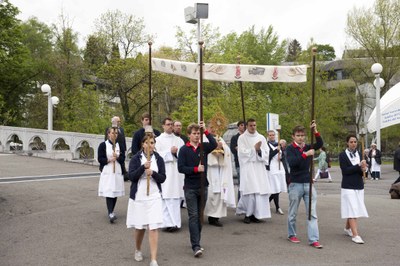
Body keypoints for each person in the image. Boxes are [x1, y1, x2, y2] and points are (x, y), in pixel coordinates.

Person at [177, 121, 217, 258]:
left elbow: (214, 144)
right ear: (188, 135)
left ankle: (196, 240)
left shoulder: (203, 147)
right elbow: (181, 168)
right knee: (193, 216)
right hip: (190, 188)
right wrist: (195, 169)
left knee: (200, 216)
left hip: (203, 186)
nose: (196, 136)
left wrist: (205, 130)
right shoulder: (184, 150)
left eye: (197, 134)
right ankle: (196, 245)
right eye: (193, 134)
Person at [127, 134, 166, 266]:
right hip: (140, 196)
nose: (151, 145)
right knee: (140, 228)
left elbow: (163, 177)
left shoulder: (159, 159)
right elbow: (131, 176)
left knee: (153, 227)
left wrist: (153, 173)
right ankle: (138, 249)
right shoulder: (136, 159)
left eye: (153, 143)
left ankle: (153, 259)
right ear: (143, 144)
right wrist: (142, 168)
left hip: (154, 196)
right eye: (148, 143)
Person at [286, 121, 323, 249]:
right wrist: (305, 155)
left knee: (312, 213)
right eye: (298, 135)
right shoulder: (290, 148)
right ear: (293, 136)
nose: (301, 138)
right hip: (295, 184)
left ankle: (313, 239)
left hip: (308, 183)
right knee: (293, 212)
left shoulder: (307, 146)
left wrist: (315, 131)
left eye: (302, 135)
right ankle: (291, 234)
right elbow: (292, 163)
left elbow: (320, 144)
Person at [235, 118, 272, 224]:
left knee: (259, 192)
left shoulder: (261, 138)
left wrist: (259, 150)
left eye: (254, 125)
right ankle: (247, 214)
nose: (253, 127)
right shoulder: (242, 138)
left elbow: (267, 152)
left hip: (259, 168)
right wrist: (254, 149)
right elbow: (241, 153)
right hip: (248, 167)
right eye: (251, 125)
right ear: (247, 126)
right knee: (250, 191)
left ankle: (256, 214)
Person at [155, 117, 185, 232]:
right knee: (165, 197)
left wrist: (176, 152)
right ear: (163, 126)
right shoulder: (158, 140)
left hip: (176, 173)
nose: (170, 126)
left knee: (175, 198)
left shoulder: (179, 140)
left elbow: (182, 155)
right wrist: (169, 152)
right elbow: (156, 156)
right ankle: (166, 223)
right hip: (165, 171)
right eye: (168, 124)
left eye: (172, 124)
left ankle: (175, 223)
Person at [204, 123, 236, 227]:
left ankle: (215, 217)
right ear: (208, 128)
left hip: (219, 169)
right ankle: (207, 214)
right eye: (211, 127)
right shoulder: (203, 138)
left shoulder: (220, 139)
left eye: (215, 128)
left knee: (219, 193)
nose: (213, 130)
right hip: (209, 169)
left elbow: (227, 152)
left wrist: (222, 148)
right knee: (210, 193)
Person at [339, 134, 369, 244]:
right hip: (348, 186)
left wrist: (364, 169)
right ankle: (355, 235)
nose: (353, 144)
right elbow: (345, 171)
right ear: (347, 143)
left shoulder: (360, 154)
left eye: (355, 142)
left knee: (354, 208)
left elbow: (362, 171)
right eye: (351, 142)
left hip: (359, 185)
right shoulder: (342, 155)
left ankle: (347, 228)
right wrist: (358, 166)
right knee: (352, 209)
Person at [97, 127, 125, 223]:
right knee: (109, 190)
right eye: (112, 133)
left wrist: (117, 157)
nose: (114, 135)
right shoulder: (103, 145)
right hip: (108, 170)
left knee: (115, 190)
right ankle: (110, 212)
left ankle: (112, 210)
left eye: (116, 133)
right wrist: (109, 160)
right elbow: (100, 159)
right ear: (108, 134)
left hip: (117, 169)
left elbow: (123, 158)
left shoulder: (119, 145)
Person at [266, 130, 287, 215]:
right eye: (270, 135)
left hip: (280, 167)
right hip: (273, 167)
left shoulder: (278, 144)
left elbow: (283, 155)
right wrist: (276, 151)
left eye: (273, 135)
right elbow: (267, 157)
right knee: (275, 187)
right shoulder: (266, 145)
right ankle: (277, 207)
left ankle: (268, 201)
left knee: (279, 187)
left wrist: (281, 157)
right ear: (268, 136)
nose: (272, 136)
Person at [105, 116, 128, 181]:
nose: (119, 122)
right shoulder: (109, 129)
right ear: (113, 122)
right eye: (118, 121)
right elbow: (106, 138)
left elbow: (123, 139)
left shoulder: (121, 129)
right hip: (113, 147)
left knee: (121, 161)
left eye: (119, 121)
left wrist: (124, 147)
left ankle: (124, 174)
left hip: (121, 147)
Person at [230, 121, 246, 200]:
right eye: (241, 125)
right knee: (241, 183)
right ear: (238, 127)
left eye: (244, 125)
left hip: (248, 163)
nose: (243, 127)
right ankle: (240, 201)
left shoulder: (248, 137)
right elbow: (233, 149)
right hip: (239, 163)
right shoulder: (235, 138)